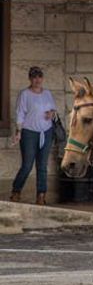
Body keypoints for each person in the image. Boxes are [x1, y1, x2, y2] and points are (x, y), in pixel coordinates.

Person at [10, 67, 58, 205]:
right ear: (30, 79)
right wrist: (18, 132)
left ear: (42, 78)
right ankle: (16, 191)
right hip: (29, 132)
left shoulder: (47, 93)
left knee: (42, 166)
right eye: (34, 77)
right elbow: (20, 113)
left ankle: (41, 196)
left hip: (46, 132)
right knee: (27, 165)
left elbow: (53, 109)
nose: (37, 80)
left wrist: (52, 113)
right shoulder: (25, 94)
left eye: (39, 77)